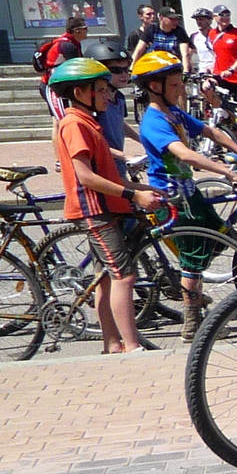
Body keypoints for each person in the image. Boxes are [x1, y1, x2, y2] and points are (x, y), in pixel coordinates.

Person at [132, 49, 237, 340]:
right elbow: (185, 154)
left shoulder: (174, 113)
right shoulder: (154, 121)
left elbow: (211, 132)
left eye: (181, 84)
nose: (180, 90)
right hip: (172, 199)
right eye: (175, 85)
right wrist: (226, 172)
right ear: (155, 86)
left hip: (190, 194)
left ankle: (191, 287)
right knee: (192, 258)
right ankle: (192, 324)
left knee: (223, 238)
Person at [48, 57, 168, 355]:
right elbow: (87, 177)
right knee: (124, 276)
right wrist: (133, 196)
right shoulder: (74, 124)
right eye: (101, 90)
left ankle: (112, 344)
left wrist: (143, 189)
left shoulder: (89, 122)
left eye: (107, 90)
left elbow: (108, 175)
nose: (108, 96)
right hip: (95, 210)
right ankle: (132, 346)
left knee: (104, 279)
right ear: (79, 93)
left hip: (106, 206)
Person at [36, 17, 89, 120]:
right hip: (53, 86)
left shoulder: (73, 43)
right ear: (77, 30)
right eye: (85, 28)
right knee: (61, 119)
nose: (87, 31)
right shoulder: (67, 45)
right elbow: (76, 68)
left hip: (62, 85)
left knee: (61, 118)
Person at [210, 7, 237, 100]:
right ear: (214, 17)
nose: (225, 17)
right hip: (220, 76)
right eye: (222, 15)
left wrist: (231, 70)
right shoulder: (212, 33)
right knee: (207, 88)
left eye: (228, 15)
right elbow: (215, 54)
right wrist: (211, 67)